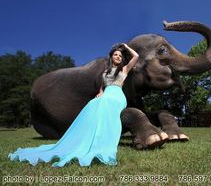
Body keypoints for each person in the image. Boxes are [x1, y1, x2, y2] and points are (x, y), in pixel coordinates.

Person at [8, 43, 139, 167]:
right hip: (106, 95)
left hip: (117, 96)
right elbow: (102, 88)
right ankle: (89, 139)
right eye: (116, 54)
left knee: (105, 104)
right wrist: (100, 93)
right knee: (93, 104)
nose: (118, 57)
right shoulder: (105, 73)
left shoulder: (124, 70)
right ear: (111, 56)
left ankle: (106, 143)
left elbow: (136, 56)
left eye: (120, 56)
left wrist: (126, 47)